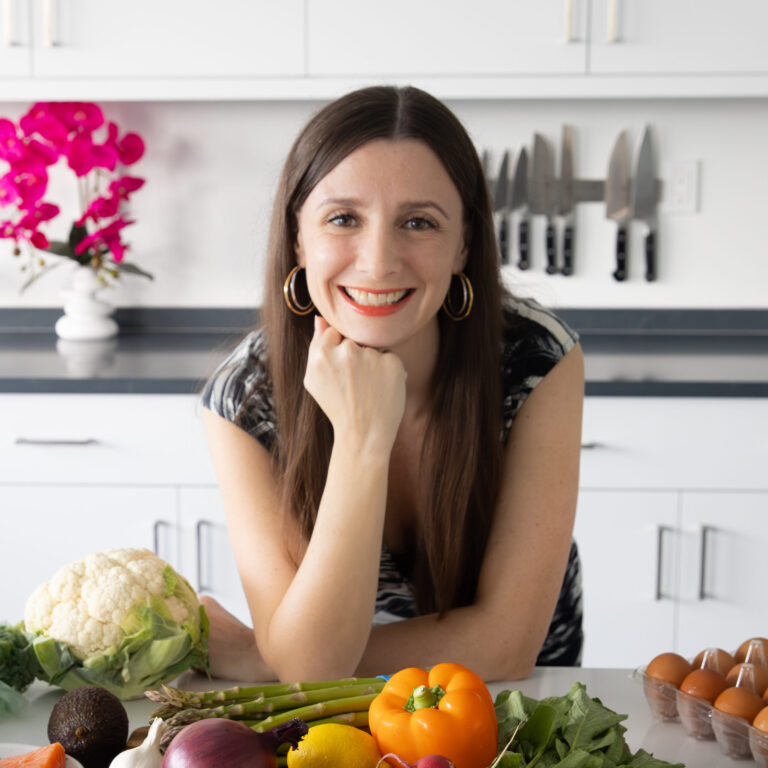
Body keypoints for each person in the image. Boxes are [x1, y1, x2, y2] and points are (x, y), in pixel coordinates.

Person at [200, 85, 584, 683]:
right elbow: (308, 666)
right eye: (343, 218)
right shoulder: (245, 399)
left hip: (522, 709)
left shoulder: (536, 358)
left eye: (418, 222)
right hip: (347, 720)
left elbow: (507, 646)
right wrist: (361, 438)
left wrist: (267, 657)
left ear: (463, 244)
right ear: (298, 236)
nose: (378, 262)